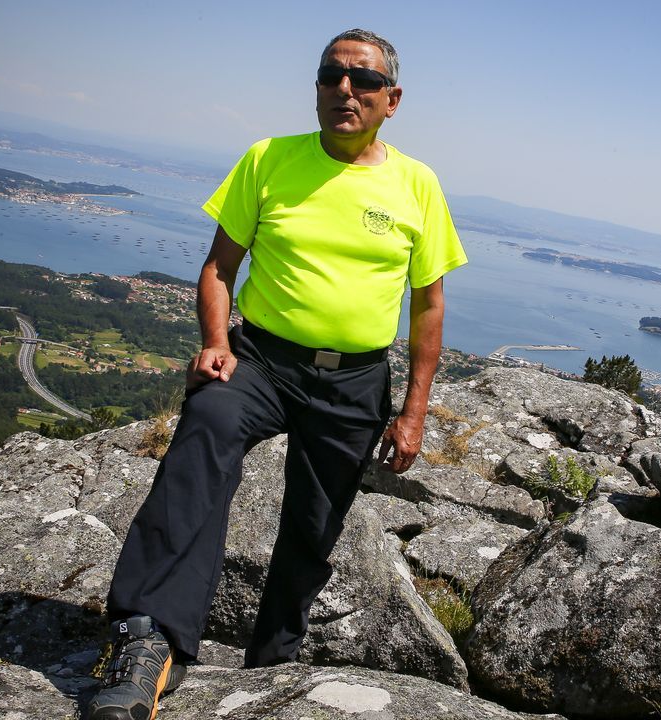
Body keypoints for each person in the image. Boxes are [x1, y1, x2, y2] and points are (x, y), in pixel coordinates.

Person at [86, 28, 467, 720]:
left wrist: (414, 412)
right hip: (260, 358)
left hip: (354, 383)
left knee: (313, 531)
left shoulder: (418, 185)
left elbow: (429, 305)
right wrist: (212, 341)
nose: (345, 89)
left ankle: (270, 665)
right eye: (331, 76)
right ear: (318, 87)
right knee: (206, 425)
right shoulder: (268, 160)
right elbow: (218, 266)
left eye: (363, 80)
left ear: (392, 100)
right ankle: (147, 640)